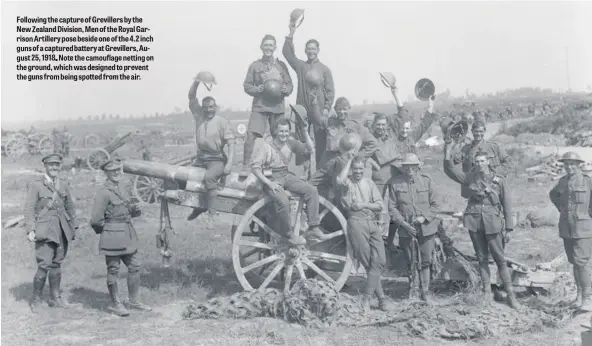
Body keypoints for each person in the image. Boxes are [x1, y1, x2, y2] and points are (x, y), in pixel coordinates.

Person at [443, 146, 520, 309]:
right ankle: (486, 292)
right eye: (477, 161)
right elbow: (450, 171)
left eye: (482, 161)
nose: (479, 164)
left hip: (493, 222)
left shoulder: (499, 180)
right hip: (474, 222)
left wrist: (509, 228)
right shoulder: (469, 177)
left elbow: (507, 204)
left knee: (500, 259)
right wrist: (447, 151)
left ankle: (511, 295)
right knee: (481, 258)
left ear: (488, 162)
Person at [251, 113, 326, 245]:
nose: (284, 134)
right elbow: (255, 168)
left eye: (286, 131)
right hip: (271, 177)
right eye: (281, 131)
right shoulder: (266, 146)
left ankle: (313, 227)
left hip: (286, 174)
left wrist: (304, 130)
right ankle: (288, 235)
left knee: (312, 190)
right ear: (275, 131)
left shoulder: (291, 143)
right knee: (283, 201)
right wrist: (269, 183)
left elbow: (310, 148)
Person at [90, 159, 152, 317]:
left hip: (128, 233)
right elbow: (95, 220)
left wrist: (137, 210)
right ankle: (115, 304)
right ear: (107, 173)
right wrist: (107, 231)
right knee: (113, 269)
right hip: (112, 236)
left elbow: (130, 211)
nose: (117, 173)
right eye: (113, 171)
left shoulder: (124, 188)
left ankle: (133, 301)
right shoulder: (103, 192)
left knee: (135, 266)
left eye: (119, 170)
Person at [336, 155, 391, 312]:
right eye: (355, 169)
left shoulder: (369, 183)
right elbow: (340, 180)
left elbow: (380, 205)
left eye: (361, 168)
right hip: (356, 223)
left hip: (371, 223)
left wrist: (364, 205)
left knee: (379, 261)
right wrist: (348, 160)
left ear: (364, 169)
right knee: (368, 262)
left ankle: (368, 298)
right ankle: (380, 299)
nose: (358, 172)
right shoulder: (347, 184)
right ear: (351, 170)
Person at [23, 153, 78, 312]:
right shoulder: (36, 185)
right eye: (51, 165)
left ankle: (55, 298)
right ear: (45, 166)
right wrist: (30, 229)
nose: (54, 167)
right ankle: (36, 300)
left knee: (57, 263)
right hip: (45, 230)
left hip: (62, 230)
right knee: (44, 264)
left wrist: (73, 227)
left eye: (57, 165)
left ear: (60, 166)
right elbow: (29, 209)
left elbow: (70, 207)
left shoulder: (64, 185)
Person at [387, 153, 440, 303]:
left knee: (425, 261)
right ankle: (413, 291)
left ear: (417, 167)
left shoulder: (427, 181)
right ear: (402, 168)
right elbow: (392, 208)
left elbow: (436, 205)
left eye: (412, 166)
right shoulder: (395, 183)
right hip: (405, 229)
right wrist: (403, 223)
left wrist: (424, 218)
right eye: (406, 166)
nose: (409, 169)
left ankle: (425, 292)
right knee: (410, 261)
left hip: (426, 229)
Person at [186, 74, 236, 226]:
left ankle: (212, 215)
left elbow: (231, 143)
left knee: (209, 178)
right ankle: (198, 206)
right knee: (185, 177)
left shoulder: (222, 122)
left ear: (216, 107)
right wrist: (196, 82)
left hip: (216, 159)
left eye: (211, 107)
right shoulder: (198, 116)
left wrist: (229, 164)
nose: (209, 110)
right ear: (202, 108)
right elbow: (191, 96)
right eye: (206, 107)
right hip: (201, 159)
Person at [283, 23, 335, 166]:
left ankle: (320, 174)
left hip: (318, 111)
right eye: (309, 48)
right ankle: (303, 173)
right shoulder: (301, 66)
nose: (311, 51)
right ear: (305, 50)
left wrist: (325, 110)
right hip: (302, 110)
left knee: (321, 143)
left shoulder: (325, 69)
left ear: (318, 50)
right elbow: (287, 54)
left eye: (314, 48)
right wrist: (291, 33)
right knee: (301, 143)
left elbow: (331, 91)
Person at [242, 34, 293, 172]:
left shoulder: (281, 66)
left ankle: (281, 165)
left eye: (271, 45)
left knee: (280, 136)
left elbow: (289, 85)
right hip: (260, 106)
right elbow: (247, 86)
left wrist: (285, 89)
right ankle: (245, 165)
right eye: (266, 45)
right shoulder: (255, 66)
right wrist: (256, 89)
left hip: (277, 107)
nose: (268, 48)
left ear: (275, 47)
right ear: (261, 47)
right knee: (251, 135)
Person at [549, 152, 592, 311]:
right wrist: (562, 209)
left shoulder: (588, 181)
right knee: (574, 261)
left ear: (579, 164)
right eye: (566, 164)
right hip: (567, 228)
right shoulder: (562, 182)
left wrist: (588, 217)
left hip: (584, 228)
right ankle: (579, 296)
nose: (569, 167)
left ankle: (588, 298)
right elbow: (553, 195)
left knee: (582, 262)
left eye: (572, 164)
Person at [448, 119, 513, 199]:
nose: (478, 134)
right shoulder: (465, 149)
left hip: (492, 188)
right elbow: (451, 162)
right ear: (472, 131)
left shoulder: (493, 147)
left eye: (481, 131)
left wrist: (496, 175)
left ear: (484, 131)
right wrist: (452, 144)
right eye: (476, 131)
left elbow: (509, 162)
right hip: (473, 190)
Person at [309, 94, 377, 168]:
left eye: (344, 109)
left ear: (349, 109)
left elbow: (373, 143)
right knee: (314, 179)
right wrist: (314, 103)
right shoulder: (330, 122)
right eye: (339, 109)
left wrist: (358, 156)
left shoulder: (356, 126)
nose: (342, 112)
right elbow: (317, 120)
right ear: (335, 109)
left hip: (345, 164)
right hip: (329, 163)